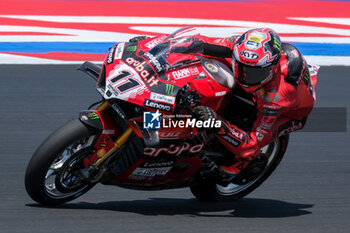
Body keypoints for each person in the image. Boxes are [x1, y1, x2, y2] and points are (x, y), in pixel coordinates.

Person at [131, 27, 316, 179]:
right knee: (197, 64)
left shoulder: (277, 97)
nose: (245, 77)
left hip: (289, 111)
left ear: (272, 68)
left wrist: (217, 122)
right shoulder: (237, 46)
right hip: (261, 87)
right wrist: (150, 45)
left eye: (254, 73)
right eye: (242, 68)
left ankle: (242, 164)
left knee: (248, 151)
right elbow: (197, 42)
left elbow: (250, 142)